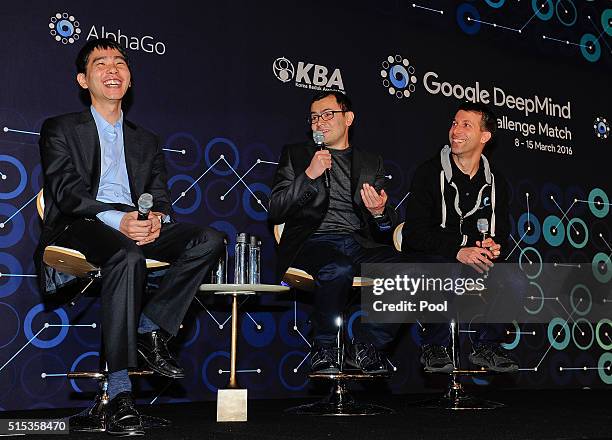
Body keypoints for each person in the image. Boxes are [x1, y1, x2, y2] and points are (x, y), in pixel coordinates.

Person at [35, 38, 225, 436]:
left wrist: (155, 218)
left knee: (208, 239)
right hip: (81, 223)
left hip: (133, 222)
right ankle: (120, 393)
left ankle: (151, 326)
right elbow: (66, 191)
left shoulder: (147, 140)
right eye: (100, 63)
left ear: (130, 78)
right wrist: (116, 219)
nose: (112, 69)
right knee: (126, 257)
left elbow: (159, 194)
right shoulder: (60, 128)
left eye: (119, 62)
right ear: (83, 80)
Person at [269, 91, 403, 375]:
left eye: (328, 114)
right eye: (315, 117)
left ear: (349, 118)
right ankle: (325, 346)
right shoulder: (296, 155)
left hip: (357, 242)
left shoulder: (370, 161)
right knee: (337, 268)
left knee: (409, 269)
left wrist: (380, 212)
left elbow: (386, 225)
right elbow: (276, 209)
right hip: (312, 240)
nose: (319, 122)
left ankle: (367, 345)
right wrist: (309, 175)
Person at [402, 102, 518, 373]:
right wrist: (457, 249)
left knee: (513, 279)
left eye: (466, 125)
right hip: (435, 257)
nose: (456, 130)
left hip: (473, 260)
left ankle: (487, 346)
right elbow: (413, 235)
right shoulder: (429, 173)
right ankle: (435, 347)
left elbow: (501, 233)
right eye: (454, 123)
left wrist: (494, 246)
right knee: (445, 271)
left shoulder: (496, 182)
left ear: (485, 136)